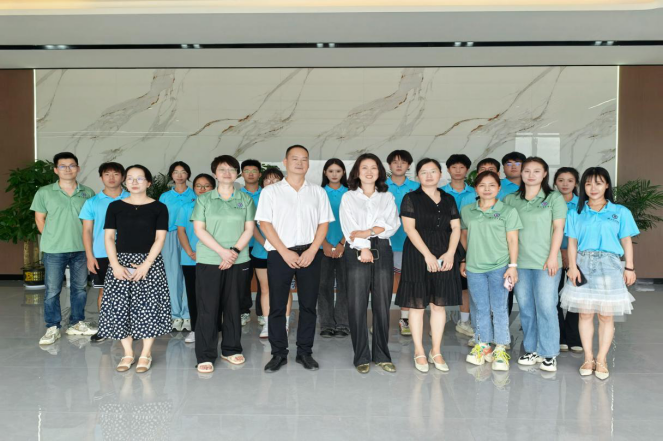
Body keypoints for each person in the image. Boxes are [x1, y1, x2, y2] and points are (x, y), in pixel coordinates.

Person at [254, 145, 334, 373]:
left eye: (304, 159)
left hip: (310, 253)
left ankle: (305, 352)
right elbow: (265, 224)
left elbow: (323, 223)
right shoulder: (271, 192)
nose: (300, 163)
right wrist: (284, 251)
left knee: (308, 305)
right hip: (280, 254)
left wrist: (312, 250)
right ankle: (278, 353)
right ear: (285, 162)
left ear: (309, 164)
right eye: (295, 158)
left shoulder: (318, 192)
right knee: (277, 306)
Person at [561, 167, 639, 380]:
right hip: (583, 263)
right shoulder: (575, 212)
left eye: (598, 183)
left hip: (610, 265)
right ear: (583, 187)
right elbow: (572, 242)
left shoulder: (620, 211)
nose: (593, 188)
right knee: (585, 313)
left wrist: (629, 267)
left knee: (606, 315)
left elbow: (626, 240)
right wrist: (572, 267)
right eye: (588, 183)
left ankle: (601, 359)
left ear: (607, 185)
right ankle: (588, 358)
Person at [97, 165, 171, 373]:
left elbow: (160, 238)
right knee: (120, 308)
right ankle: (128, 353)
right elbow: (109, 237)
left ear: (148, 182)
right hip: (120, 263)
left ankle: (146, 353)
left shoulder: (159, 208)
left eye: (139, 178)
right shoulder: (115, 207)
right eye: (130, 178)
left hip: (150, 263)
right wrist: (114, 265)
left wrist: (147, 264)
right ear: (125, 182)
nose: (134, 182)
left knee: (148, 308)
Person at [396, 158, 463, 373]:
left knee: (438, 304)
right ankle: (419, 351)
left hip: (444, 252)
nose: (428, 175)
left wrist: (451, 253)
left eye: (433, 171)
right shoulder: (410, 198)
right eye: (424, 172)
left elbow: (456, 228)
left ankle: (436, 350)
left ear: (440, 174)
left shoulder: (448, 199)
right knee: (417, 304)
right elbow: (409, 229)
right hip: (417, 254)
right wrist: (427, 255)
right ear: (417, 176)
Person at [191, 156, 256, 373]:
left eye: (231, 169)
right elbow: (199, 229)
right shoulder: (204, 199)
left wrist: (234, 252)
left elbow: (249, 229)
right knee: (208, 308)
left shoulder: (245, 199)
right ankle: (205, 354)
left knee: (233, 306)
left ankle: (231, 349)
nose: (227, 173)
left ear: (237, 173)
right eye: (222, 169)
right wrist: (222, 252)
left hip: (238, 259)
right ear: (215, 173)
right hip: (209, 259)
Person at [504, 157, 567, 372]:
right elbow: (506, 231)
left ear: (545, 174)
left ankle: (549, 353)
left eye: (536, 171)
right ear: (521, 173)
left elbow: (558, 228)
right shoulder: (511, 199)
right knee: (526, 307)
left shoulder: (554, 198)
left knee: (547, 306)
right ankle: (531, 349)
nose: (531, 175)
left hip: (546, 262)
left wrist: (553, 256)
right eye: (527, 171)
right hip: (519, 262)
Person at [340, 154, 400, 374]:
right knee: (357, 304)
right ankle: (361, 356)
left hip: (383, 249)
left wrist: (367, 232)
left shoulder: (387, 196)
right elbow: (349, 227)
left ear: (379, 172)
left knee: (382, 304)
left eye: (373, 167)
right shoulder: (348, 197)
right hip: (356, 249)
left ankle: (382, 355)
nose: (368, 172)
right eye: (364, 167)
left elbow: (392, 224)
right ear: (357, 172)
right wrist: (364, 245)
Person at [31, 152, 97, 345]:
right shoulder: (44, 192)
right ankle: (53, 327)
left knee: (80, 288)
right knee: (52, 290)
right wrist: (52, 237)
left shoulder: (87, 192)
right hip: (54, 249)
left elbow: (91, 221)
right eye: (63, 166)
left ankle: (76, 323)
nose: (68, 169)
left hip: (81, 248)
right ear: (55, 170)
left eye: (71, 165)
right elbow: (39, 219)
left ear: (78, 168)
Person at [460, 171, 522, 371]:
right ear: (475, 188)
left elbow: (513, 239)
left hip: (500, 267)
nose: (487, 189)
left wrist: (513, 266)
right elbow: (464, 235)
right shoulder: (468, 210)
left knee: (499, 307)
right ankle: (483, 345)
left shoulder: (508, 211)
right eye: (482, 185)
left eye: (492, 185)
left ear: (499, 188)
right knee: (480, 307)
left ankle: (501, 348)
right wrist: (466, 258)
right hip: (474, 267)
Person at [79, 162, 129, 343]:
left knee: (130, 293)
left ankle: (129, 329)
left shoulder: (132, 198)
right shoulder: (92, 202)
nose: (111, 178)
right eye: (107, 174)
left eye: (116, 174)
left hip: (129, 252)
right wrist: (89, 256)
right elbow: (87, 231)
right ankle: (106, 328)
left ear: (123, 177)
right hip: (101, 253)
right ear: (101, 177)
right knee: (104, 293)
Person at [252, 168, 294, 338]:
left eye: (275, 179)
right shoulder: (257, 199)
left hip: (285, 251)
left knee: (284, 288)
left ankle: (284, 322)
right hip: (262, 250)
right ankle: (268, 324)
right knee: (265, 288)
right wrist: (266, 244)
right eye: (268, 180)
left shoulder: (289, 198)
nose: (271, 183)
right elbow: (253, 227)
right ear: (262, 183)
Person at [176, 173, 216, 344]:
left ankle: (214, 329)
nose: (202, 189)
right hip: (190, 259)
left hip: (214, 257)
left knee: (213, 295)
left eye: (206, 185)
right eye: (198, 185)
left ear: (213, 188)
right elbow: (181, 231)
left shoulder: (218, 207)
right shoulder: (186, 207)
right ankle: (195, 329)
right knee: (193, 295)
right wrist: (190, 252)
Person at [386, 149, 420, 336]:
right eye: (395, 162)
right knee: (382, 282)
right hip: (384, 242)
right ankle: (381, 319)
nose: (399, 165)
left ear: (408, 166)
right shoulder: (380, 186)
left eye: (403, 162)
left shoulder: (417, 187)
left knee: (407, 281)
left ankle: (404, 319)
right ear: (389, 165)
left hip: (410, 242)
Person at [159, 161, 196, 333]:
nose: (179, 175)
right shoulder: (165, 197)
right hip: (170, 237)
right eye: (176, 172)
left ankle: (188, 314)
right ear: (171, 175)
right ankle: (175, 315)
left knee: (189, 275)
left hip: (191, 236)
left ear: (188, 174)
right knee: (172, 275)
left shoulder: (195, 194)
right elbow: (159, 220)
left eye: (183, 172)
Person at [442, 154, 476, 339]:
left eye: (461, 167)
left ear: (467, 170)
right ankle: (438, 321)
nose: (457, 171)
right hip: (442, 243)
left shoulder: (475, 193)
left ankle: (464, 322)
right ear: (448, 169)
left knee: (465, 284)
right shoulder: (439, 192)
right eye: (454, 167)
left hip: (469, 243)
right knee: (440, 282)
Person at [319, 159, 350, 339]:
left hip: (345, 246)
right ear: (325, 173)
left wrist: (342, 243)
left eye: (338, 171)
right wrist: (324, 243)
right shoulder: (318, 192)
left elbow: (355, 222)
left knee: (345, 285)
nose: (334, 174)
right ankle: (326, 324)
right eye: (330, 171)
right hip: (322, 246)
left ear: (343, 172)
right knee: (323, 286)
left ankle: (343, 324)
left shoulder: (351, 193)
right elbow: (312, 220)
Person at [553, 167, 583, 353]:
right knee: (553, 297)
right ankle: (559, 336)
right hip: (553, 255)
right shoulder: (549, 201)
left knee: (576, 296)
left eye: (570, 180)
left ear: (576, 183)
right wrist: (560, 251)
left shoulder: (583, 204)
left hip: (578, 256)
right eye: (561, 180)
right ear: (555, 182)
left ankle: (574, 337)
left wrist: (571, 253)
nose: (565, 184)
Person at [239, 159, 263, 326]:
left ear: (260, 174)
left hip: (263, 245)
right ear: (242, 174)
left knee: (264, 282)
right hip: (243, 245)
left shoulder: (267, 194)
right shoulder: (236, 195)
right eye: (246, 171)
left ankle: (262, 312)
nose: (251, 174)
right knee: (243, 281)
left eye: (254, 170)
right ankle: (244, 311)